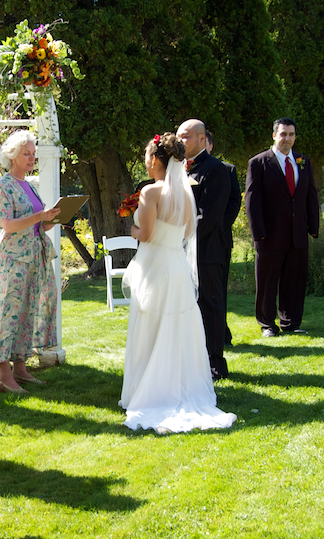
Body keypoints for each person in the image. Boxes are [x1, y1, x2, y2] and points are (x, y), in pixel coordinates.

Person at [119, 133, 236, 433]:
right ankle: (181, 385)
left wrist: (131, 227)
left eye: (146, 156)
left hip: (155, 265)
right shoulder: (186, 193)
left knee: (150, 325)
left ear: (156, 160)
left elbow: (144, 234)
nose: (145, 162)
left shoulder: (150, 193)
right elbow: (186, 232)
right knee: (177, 326)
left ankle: (148, 389)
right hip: (176, 266)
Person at [0, 130, 61, 394]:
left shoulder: (28, 185)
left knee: (27, 313)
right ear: (13, 156)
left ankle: (20, 368)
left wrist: (51, 218)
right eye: (26, 154)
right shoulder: (4, 186)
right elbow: (6, 224)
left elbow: (36, 225)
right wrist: (40, 215)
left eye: (33, 153)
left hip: (32, 258)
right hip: (12, 262)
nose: (32, 158)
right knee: (7, 314)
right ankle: (3, 376)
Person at [245, 118, 320, 336]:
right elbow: (252, 200)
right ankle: (267, 325)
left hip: (297, 235)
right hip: (269, 235)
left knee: (294, 281)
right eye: (283, 134)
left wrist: (313, 227)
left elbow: (310, 196)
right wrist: (258, 233)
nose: (287, 138)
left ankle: (291, 323)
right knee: (268, 283)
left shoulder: (302, 161)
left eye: (291, 134)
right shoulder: (259, 163)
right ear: (274, 136)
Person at [177, 119, 231, 379]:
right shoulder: (178, 168)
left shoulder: (215, 169)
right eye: (179, 136)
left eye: (185, 137)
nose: (181, 141)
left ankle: (215, 362)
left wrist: (181, 234)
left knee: (210, 305)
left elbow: (209, 215)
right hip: (181, 250)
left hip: (207, 251)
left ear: (201, 139)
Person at [205, 130, 242, 347]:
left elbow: (233, 203)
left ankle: (222, 333)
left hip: (219, 238)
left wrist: (219, 224)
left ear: (209, 144)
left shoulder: (226, 170)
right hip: (199, 237)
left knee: (217, 290)